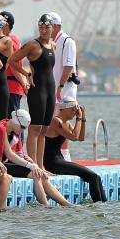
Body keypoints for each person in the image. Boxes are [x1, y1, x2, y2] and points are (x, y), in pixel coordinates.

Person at [0, 108, 73, 207]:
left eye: (25, 128)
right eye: (22, 127)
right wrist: (31, 166)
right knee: (36, 174)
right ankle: (46, 206)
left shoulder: (14, 130)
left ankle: (67, 204)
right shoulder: (1, 128)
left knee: (40, 173)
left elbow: (20, 153)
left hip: (2, 164)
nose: (23, 130)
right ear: (16, 121)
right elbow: (10, 154)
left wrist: (32, 163)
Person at [8, 13, 57, 166]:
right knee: (35, 128)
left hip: (50, 89)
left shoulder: (53, 45)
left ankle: (41, 166)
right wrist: (27, 74)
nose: (43, 31)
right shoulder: (33, 45)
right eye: (41, 28)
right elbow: (12, 60)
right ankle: (33, 165)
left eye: (47, 28)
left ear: (52, 28)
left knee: (44, 130)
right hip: (37, 90)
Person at [44, 97, 105, 202]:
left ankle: (104, 205)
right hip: (52, 163)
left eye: (76, 110)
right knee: (93, 177)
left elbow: (81, 138)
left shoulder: (65, 122)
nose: (75, 112)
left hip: (59, 161)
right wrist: (79, 118)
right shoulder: (55, 121)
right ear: (64, 109)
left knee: (96, 177)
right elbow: (74, 137)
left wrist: (83, 118)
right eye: (73, 109)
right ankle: (99, 208)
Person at [49, 12, 78, 160]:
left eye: (47, 26)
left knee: (63, 125)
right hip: (53, 92)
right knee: (52, 126)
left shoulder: (67, 41)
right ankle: (55, 156)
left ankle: (65, 158)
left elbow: (68, 65)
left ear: (55, 26)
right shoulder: (50, 42)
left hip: (65, 92)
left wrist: (60, 86)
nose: (44, 29)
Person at [0, 11, 29, 117]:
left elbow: (13, 64)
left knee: (11, 122)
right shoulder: (13, 39)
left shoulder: (8, 41)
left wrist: (24, 84)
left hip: (11, 87)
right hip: (12, 87)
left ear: (6, 25)